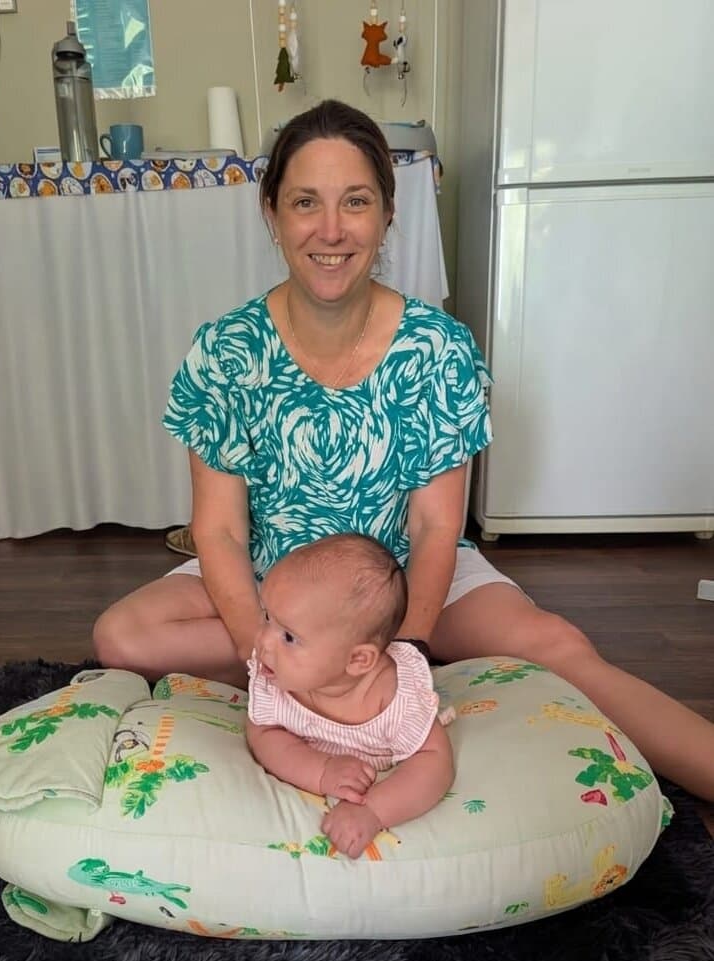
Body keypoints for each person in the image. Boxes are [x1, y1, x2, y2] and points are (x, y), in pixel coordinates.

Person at [93, 98, 714, 804]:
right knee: (122, 636)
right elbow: (221, 530)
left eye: (355, 202)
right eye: (305, 202)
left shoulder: (438, 349)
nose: (331, 229)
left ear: (388, 213)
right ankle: (320, 660)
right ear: (272, 214)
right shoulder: (225, 351)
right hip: (278, 587)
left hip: (406, 577)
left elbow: (435, 528)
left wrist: (409, 653)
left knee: (560, 645)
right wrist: (266, 651)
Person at [246, 533, 455, 859]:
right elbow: (262, 732)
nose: (263, 641)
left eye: (288, 636)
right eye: (267, 617)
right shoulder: (275, 678)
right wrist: (321, 770)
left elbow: (434, 764)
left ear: (358, 660)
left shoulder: (396, 698)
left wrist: (374, 811)